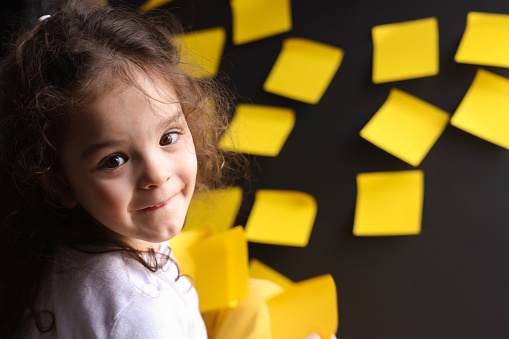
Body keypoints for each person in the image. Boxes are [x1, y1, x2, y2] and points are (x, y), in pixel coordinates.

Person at [0, 0, 337, 338]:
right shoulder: (142, 311)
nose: (157, 174)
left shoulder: (68, 243)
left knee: (256, 300)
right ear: (60, 184)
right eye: (114, 161)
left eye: (168, 137)